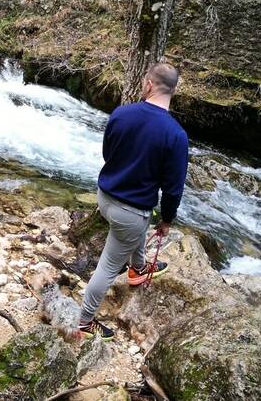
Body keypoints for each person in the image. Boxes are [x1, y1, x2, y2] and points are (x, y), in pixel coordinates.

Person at [79, 61, 189, 341]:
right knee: (107, 267)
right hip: (131, 212)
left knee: (135, 228)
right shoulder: (176, 135)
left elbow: (108, 154)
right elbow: (173, 189)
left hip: (105, 197)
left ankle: (138, 268)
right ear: (173, 91)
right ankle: (84, 322)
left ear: (149, 84)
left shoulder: (121, 113)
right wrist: (167, 219)